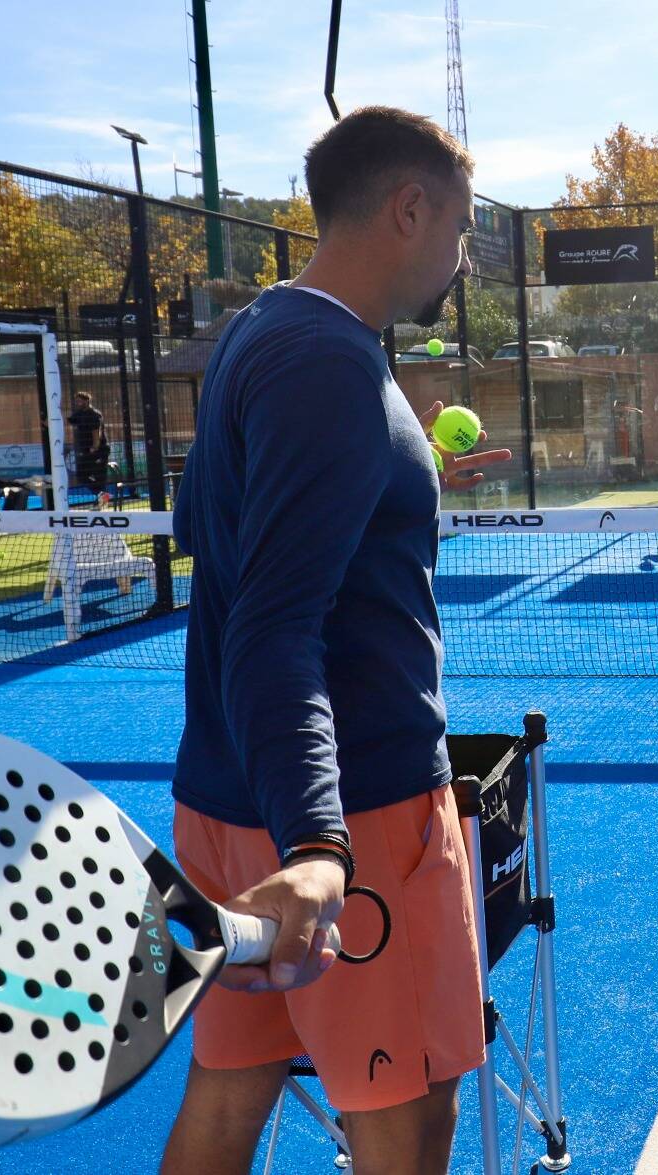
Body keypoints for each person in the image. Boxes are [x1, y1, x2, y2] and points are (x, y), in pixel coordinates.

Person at [163, 106, 507, 1175]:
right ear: (409, 208)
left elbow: (212, 526)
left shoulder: (266, 332)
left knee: (226, 1105)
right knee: (403, 1124)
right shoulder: (329, 366)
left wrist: (394, 491)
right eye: (456, 228)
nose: (458, 259)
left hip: (225, 808)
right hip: (348, 817)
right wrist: (318, 850)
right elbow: (274, 625)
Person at [67, 390, 112, 507]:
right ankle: (102, 495)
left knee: (99, 476)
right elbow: (70, 420)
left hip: (98, 450)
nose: (78, 403)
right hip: (86, 450)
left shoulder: (94, 414)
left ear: (87, 401)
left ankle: (102, 501)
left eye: (80, 401)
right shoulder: (79, 413)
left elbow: (96, 431)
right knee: (81, 475)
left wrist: (95, 446)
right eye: (76, 401)